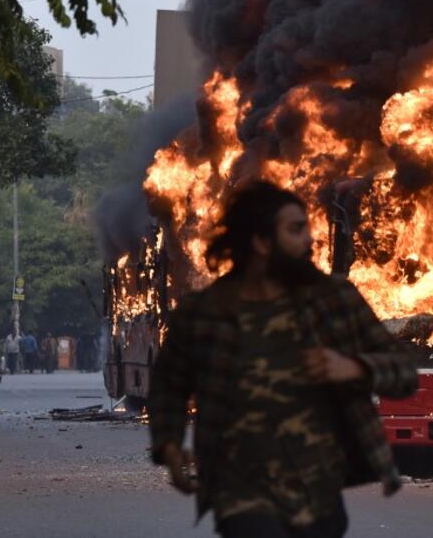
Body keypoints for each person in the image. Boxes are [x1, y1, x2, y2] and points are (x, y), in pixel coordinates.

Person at [148, 181, 417, 538]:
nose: (310, 240)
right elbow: (168, 384)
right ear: (261, 242)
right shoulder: (204, 312)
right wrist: (169, 445)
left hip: (318, 489)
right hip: (239, 491)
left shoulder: (332, 300)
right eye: (296, 229)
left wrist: (354, 367)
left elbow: (404, 371)